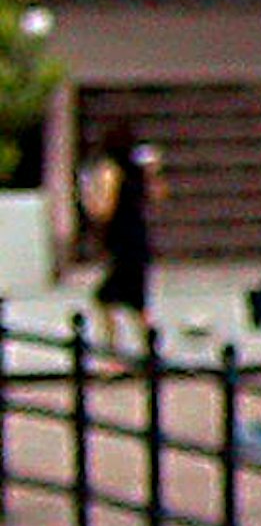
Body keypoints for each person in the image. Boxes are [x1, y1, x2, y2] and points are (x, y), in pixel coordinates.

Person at [81, 128, 156, 357]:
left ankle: (114, 352)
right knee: (137, 302)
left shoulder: (110, 171)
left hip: (121, 241)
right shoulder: (137, 173)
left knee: (106, 299)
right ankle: (149, 349)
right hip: (138, 239)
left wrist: (88, 201)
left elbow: (104, 208)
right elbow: (154, 197)